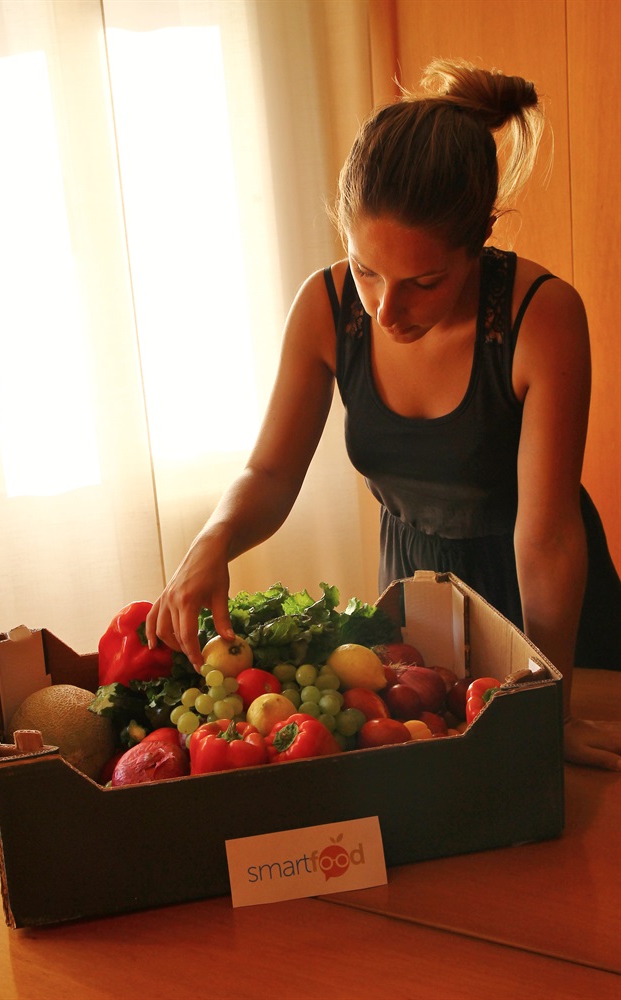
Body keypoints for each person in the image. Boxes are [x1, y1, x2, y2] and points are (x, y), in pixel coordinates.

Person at [146, 59, 621, 771]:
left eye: (423, 282)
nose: (385, 310)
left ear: (480, 240)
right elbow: (270, 472)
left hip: (543, 610)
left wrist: (551, 705)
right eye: (366, 270)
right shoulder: (324, 307)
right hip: (414, 596)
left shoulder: (540, 316)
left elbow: (547, 538)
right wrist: (212, 540)